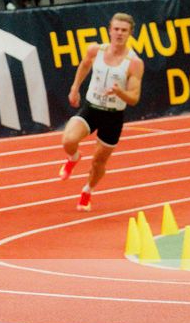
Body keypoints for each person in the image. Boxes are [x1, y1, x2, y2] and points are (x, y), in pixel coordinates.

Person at [58, 13, 144, 211]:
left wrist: (119, 91)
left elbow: (134, 98)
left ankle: (87, 190)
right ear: (109, 30)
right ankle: (73, 158)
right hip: (91, 108)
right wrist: (74, 88)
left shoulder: (134, 63)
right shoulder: (95, 50)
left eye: (124, 30)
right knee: (68, 140)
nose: (119, 33)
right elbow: (84, 65)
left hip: (113, 116)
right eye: (116, 29)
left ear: (130, 33)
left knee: (98, 162)